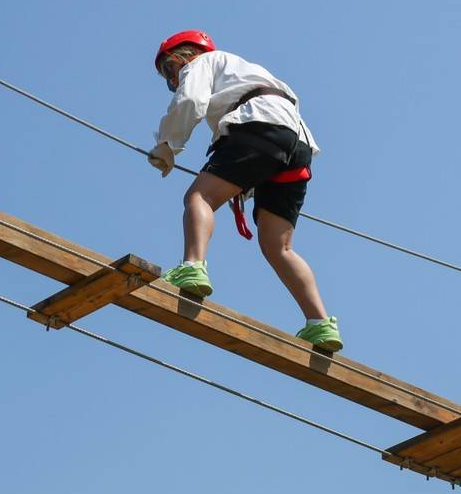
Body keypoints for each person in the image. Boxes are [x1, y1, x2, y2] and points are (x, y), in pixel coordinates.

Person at [146, 29, 343, 353]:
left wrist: (168, 144)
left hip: (259, 127)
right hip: (295, 145)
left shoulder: (205, 62)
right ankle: (320, 323)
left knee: (199, 198)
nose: (172, 79)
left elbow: (191, 100)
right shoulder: (247, 72)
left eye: (170, 69)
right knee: (277, 245)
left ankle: (192, 266)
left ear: (187, 53)